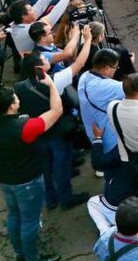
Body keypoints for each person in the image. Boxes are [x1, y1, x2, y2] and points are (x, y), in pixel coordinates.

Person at [0, 83, 64, 261]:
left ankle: (20, 252)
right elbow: (56, 110)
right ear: (11, 106)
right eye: (15, 98)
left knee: (14, 216)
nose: (18, 99)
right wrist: (52, 85)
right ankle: (32, 259)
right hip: (28, 180)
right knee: (30, 220)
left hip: (5, 179)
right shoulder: (25, 127)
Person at [17, 33, 93, 211]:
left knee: (46, 166)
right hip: (57, 131)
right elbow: (79, 64)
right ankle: (66, 197)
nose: (46, 58)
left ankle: (50, 198)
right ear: (39, 67)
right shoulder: (54, 80)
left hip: (37, 133)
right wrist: (88, 39)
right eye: (43, 58)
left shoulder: (20, 86)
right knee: (62, 164)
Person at [6, 0, 79, 54]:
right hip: (43, 61)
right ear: (24, 16)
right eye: (31, 10)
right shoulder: (29, 30)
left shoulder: (18, 23)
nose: (34, 10)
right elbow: (55, 13)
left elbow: (40, 5)